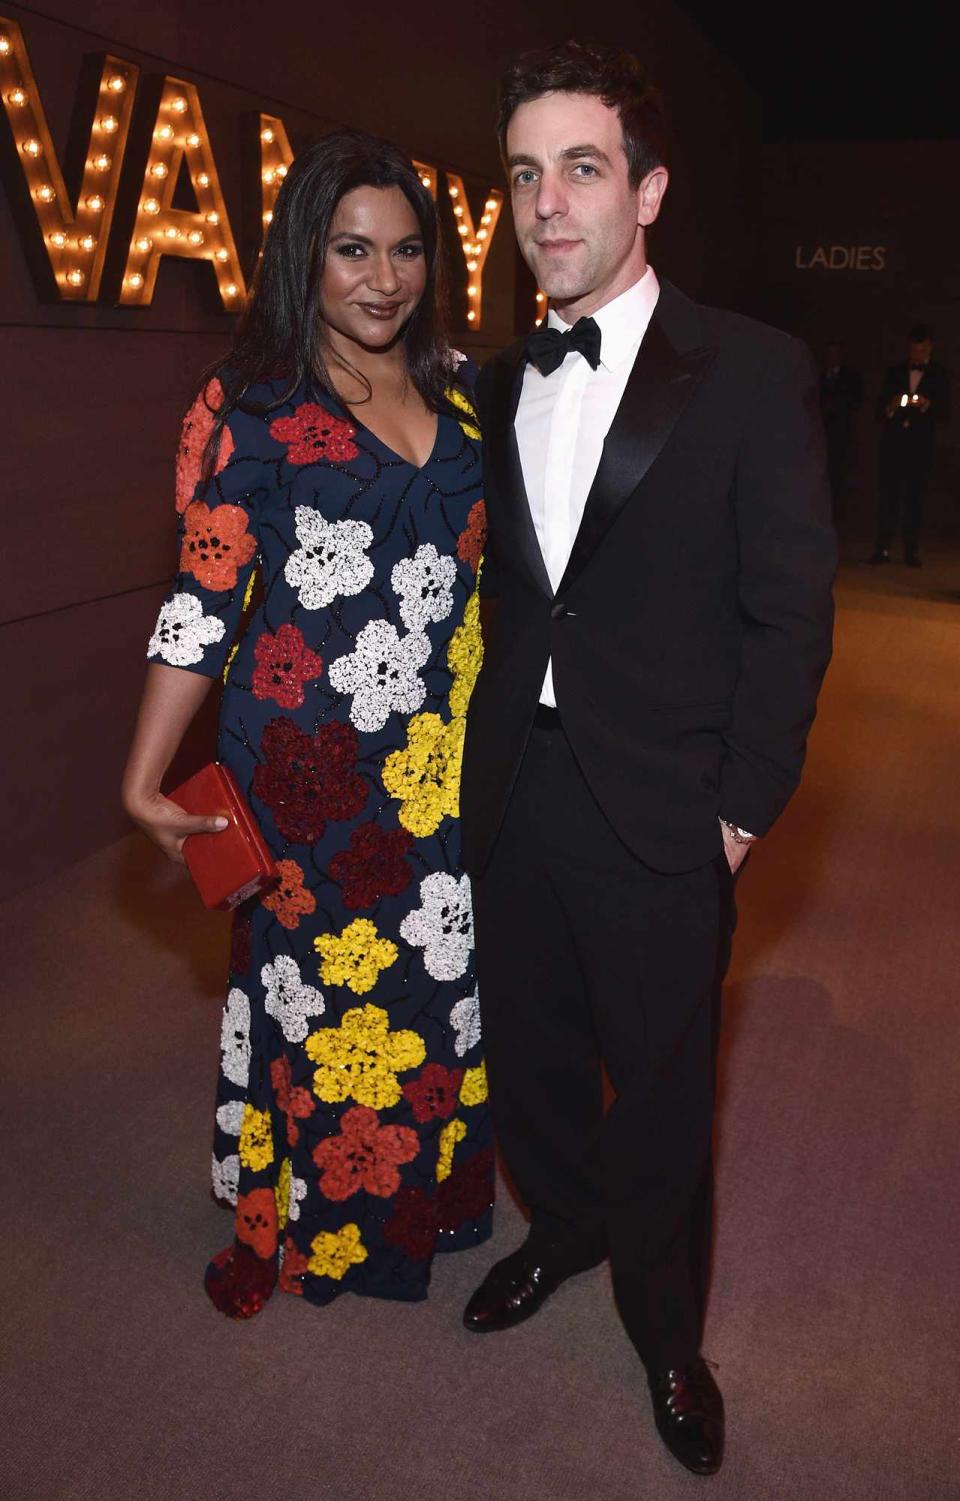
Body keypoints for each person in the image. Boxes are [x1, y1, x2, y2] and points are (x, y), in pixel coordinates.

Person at [459, 42, 836, 1477]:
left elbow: (789, 606)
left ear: (651, 189)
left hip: (668, 806)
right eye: (524, 173)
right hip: (517, 788)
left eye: (583, 167)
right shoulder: (500, 383)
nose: (548, 203)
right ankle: (560, 1225)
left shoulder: (751, 369)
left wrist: (742, 807)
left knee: (667, 1088)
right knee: (535, 1058)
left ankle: (667, 1331)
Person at [121, 130, 493, 1319]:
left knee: (434, 982)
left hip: (440, 767)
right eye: (351, 250)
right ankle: (327, 1225)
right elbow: (202, 597)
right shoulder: (254, 409)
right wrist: (141, 781)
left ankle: (427, 1192)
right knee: (326, 1008)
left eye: (405, 250)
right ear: (303, 257)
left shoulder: (462, 394)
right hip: (309, 774)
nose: (382, 278)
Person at [871, 322, 950, 566]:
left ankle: (910, 551)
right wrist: (892, 406)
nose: (916, 355)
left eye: (921, 350)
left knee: (914, 499)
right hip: (894, 444)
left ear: (929, 348)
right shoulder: (895, 372)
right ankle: (882, 548)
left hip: (920, 446)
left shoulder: (939, 374)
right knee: (889, 497)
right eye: (913, 350)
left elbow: (945, 413)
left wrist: (926, 404)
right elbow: (879, 410)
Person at [819, 341, 862, 530]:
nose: (832, 358)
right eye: (829, 354)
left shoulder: (850, 378)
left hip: (842, 440)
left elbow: (856, 402)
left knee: (840, 483)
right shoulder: (817, 377)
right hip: (820, 441)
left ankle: (839, 524)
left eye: (835, 354)